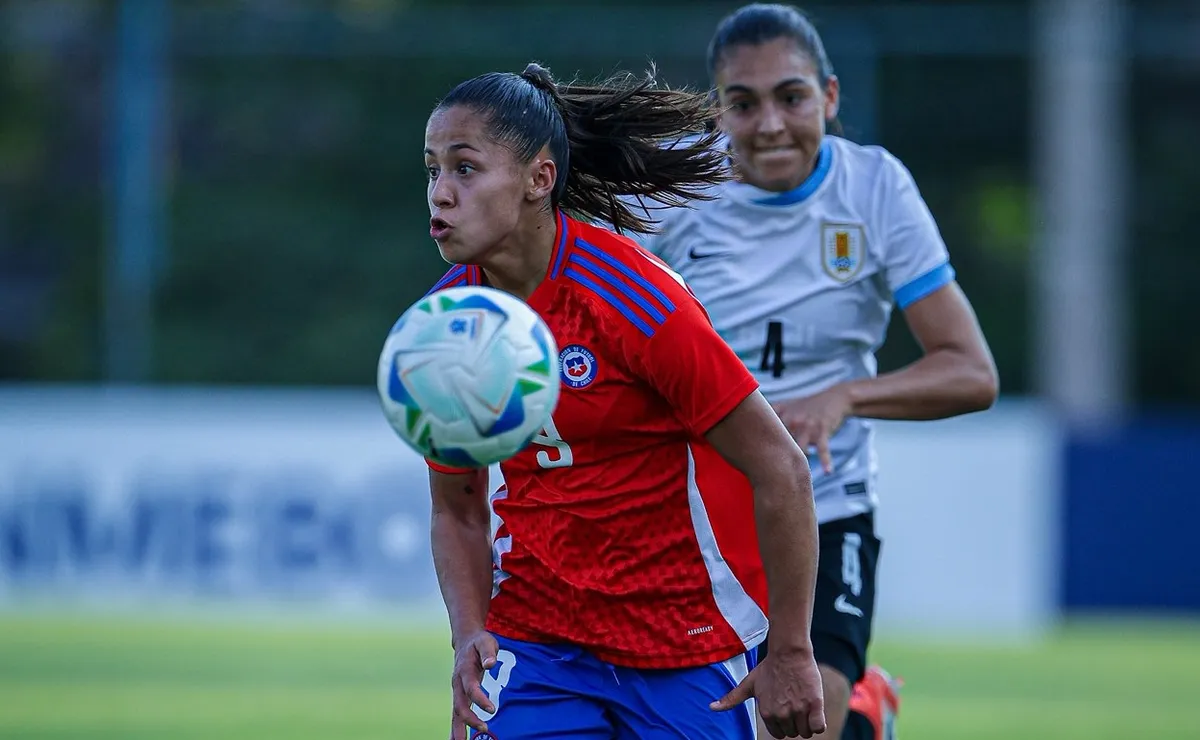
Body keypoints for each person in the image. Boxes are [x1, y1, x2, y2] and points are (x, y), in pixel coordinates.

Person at [420, 62, 828, 739]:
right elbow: (457, 508)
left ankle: (868, 705)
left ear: (538, 179)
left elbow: (780, 470)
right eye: (431, 169)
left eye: (464, 169)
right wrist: (470, 635)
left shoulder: (636, 301)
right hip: (538, 634)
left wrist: (790, 650)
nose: (440, 192)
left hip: (684, 635)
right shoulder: (444, 329)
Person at [631, 5, 1000, 740]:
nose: (769, 124)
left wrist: (845, 396)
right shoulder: (668, 189)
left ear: (830, 97)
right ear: (716, 110)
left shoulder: (874, 190)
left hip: (827, 500)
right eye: (743, 102)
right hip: (696, 513)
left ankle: (856, 707)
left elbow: (971, 372)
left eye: (791, 97)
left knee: (806, 722)